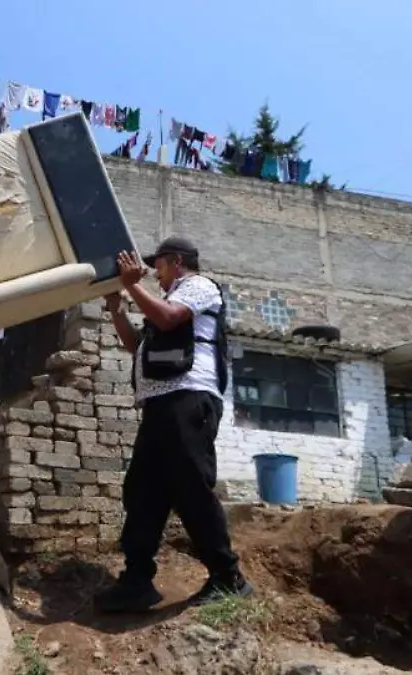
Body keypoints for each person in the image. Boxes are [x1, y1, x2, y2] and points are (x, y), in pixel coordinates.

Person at [95, 238, 252, 614]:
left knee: (191, 488)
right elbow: (138, 346)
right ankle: (136, 581)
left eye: (159, 265)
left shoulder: (199, 287)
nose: (155, 272)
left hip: (189, 399)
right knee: (143, 491)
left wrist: (132, 283)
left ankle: (228, 578)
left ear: (177, 262)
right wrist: (118, 309)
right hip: (161, 406)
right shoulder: (165, 303)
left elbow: (168, 318)